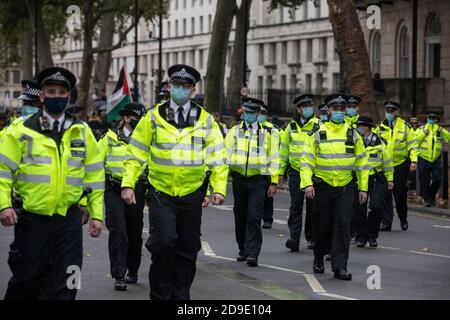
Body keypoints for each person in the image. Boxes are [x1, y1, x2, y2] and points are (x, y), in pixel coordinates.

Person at [121, 64, 228, 300]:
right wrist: (128, 184)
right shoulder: (153, 117)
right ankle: (160, 294)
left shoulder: (206, 120)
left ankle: (181, 296)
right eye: (176, 85)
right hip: (161, 193)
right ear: (169, 87)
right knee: (164, 242)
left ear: (192, 89)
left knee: (187, 248)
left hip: (191, 195)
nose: (180, 89)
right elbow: (136, 154)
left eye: (185, 86)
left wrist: (218, 189)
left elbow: (219, 159)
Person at [0, 67, 104, 300]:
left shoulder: (82, 131)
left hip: (69, 219)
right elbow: (2, 171)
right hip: (32, 219)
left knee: (68, 280)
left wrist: (96, 214)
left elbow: (94, 175)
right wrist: (3, 205)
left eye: (61, 92)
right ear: (42, 96)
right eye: (51, 91)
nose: (57, 96)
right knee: (26, 281)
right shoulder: (21, 130)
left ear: (68, 96)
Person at [300, 94, 369, 280]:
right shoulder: (317, 132)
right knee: (323, 225)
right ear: (328, 110)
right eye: (335, 109)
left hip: (346, 187)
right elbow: (306, 161)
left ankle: (340, 267)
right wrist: (307, 183)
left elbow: (362, 163)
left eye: (342, 109)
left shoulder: (353, 133)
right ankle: (318, 259)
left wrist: (363, 188)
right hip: (323, 187)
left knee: (343, 226)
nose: (339, 112)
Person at [98, 102, 147, 291]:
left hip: (137, 189)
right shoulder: (109, 138)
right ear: (126, 118)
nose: (139, 122)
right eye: (136, 118)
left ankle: (132, 269)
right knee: (118, 230)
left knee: (135, 233)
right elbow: (96, 162)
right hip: (114, 190)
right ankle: (119, 274)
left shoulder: (145, 140)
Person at [225, 97, 279, 267]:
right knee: (240, 215)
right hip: (239, 179)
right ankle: (243, 248)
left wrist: (274, 182)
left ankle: (253, 253)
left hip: (259, 180)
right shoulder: (234, 131)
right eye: (246, 112)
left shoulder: (267, 133)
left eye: (252, 113)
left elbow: (274, 157)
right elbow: (225, 154)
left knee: (254, 216)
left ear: (257, 114)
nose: (248, 115)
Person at [279, 94, 319, 252]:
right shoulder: (291, 127)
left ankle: (311, 237)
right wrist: (281, 172)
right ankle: (294, 238)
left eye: (309, 106)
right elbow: (284, 151)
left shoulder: (319, 125)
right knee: (295, 206)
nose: (307, 109)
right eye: (304, 106)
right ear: (298, 109)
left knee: (313, 207)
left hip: (313, 173)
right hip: (296, 171)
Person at [374, 101, 418, 231]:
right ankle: (386, 222)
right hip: (384, 166)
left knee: (400, 193)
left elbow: (413, 145)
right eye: (387, 111)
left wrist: (414, 161)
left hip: (400, 165)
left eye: (392, 111)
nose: (389, 113)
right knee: (385, 195)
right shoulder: (379, 127)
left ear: (397, 112)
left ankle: (403, 217)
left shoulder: (405, 126)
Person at [354, 116, 394, 248]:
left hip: (377, 177)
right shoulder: (354, 141)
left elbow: (387, 161)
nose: (358, 128)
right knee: (359, 208)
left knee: (377, 206)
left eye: (361, 126)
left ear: (368, 127)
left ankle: (372, 236)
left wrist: (390, 178)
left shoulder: (380, 142)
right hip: (359, 178)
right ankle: (360, 237)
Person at [415, 112, 450, 207]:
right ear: (427, 118)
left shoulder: (439, 130)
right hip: (423, 158)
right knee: (424, 181)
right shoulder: (421, 129)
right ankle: (427, 200)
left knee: (438, 179)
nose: (431, 119)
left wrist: (443, 131)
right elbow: (414, 141)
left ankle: (431, 195)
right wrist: (424, 133)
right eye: (430, 117)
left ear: (436, 119)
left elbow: (448, 139)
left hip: (436, 159)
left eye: (433, 118)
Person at [258, 104, 280, 230]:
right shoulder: (254, 129)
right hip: (255, 167)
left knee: (268, 195)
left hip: (268, 166)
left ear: (266, 115)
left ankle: (267, 218)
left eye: (263, 113)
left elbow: (276, 149)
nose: (260, 115)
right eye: (259, 113)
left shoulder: (272, 129)